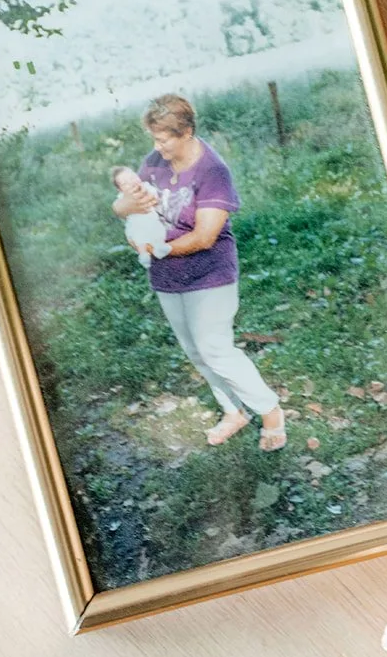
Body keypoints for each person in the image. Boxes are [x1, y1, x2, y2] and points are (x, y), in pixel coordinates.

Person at [112, 93, 286, 452]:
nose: (156, 148)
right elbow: (126, 203)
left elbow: (205, 236)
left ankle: (271, 412)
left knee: (215, 348)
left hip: (209, 273)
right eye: (154, 139)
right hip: (166, 276)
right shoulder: (155, 162)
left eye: (163, 139)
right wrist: (125, 209)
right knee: (194, 351)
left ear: (186, 131)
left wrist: (155, 249)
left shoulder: (212, 172)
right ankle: (234, 410)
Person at [110, 165, 170, 268]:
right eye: (125, 183)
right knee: (139, 238)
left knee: (159, 231)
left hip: (151, 219)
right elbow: (117, 206)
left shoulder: (146, 186)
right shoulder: (123, 197)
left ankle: (159, 247)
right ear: (120, 190)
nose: (131, 183)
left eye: (132, 178)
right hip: (136, 223)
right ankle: (143, 255)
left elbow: (155, 197)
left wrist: (150, 194)